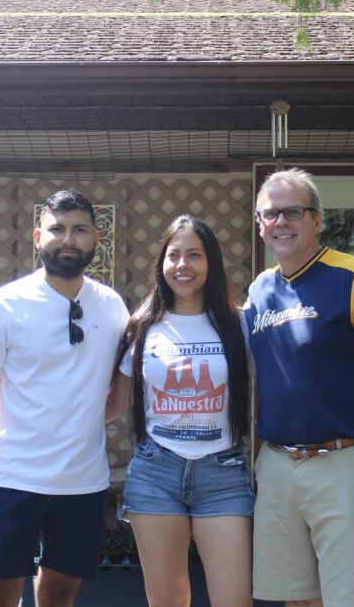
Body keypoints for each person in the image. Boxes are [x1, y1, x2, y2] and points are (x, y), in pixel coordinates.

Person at [244, 168, 354, 607]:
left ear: (317, 220)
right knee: (297, 599)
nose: (280, 222)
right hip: (280, 466)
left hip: (346, 463)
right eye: (270, 214)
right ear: (259, 223)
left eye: (293, 212)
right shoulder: (261, 290)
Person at [0, 190, 129, 607]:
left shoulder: (112, 308)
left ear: (96, 241)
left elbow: (118, 398)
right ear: (38, 236)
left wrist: (76, 424)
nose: (67, 239)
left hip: (83, 484)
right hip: (12, 481)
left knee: (59, 593)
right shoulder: (3, 305)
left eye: (79, 230)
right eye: (57, 229)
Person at [108, 214, 253, 607]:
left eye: (195, 255)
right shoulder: (141, 327)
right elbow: (117, 403)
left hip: (223, 475)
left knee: (234, 600)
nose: (183, 265)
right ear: (162, 264)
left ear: (212, 264)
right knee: (168, 600)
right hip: (156, 473)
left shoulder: (238, 326)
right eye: (174, 255)